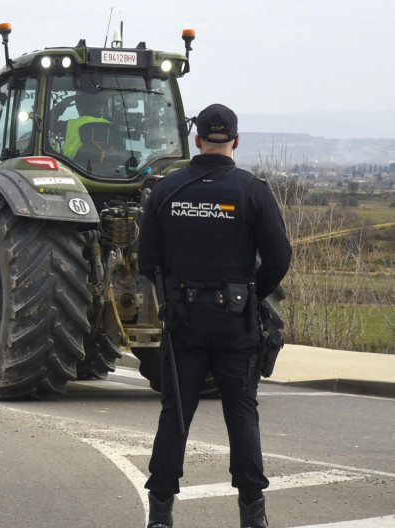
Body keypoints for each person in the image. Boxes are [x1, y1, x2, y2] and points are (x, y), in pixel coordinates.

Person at [137, 104, 292, 528]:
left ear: (196, 140)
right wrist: (251, 294)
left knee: (175, 414)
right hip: (236, 324)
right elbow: (279, 258)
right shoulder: (252, 190)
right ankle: (253, 516)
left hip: (183, 321)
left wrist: (171, 296)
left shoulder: (165, 191)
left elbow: (146, 259)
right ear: (236, 141)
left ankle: (161, 516)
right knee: (241, 413)